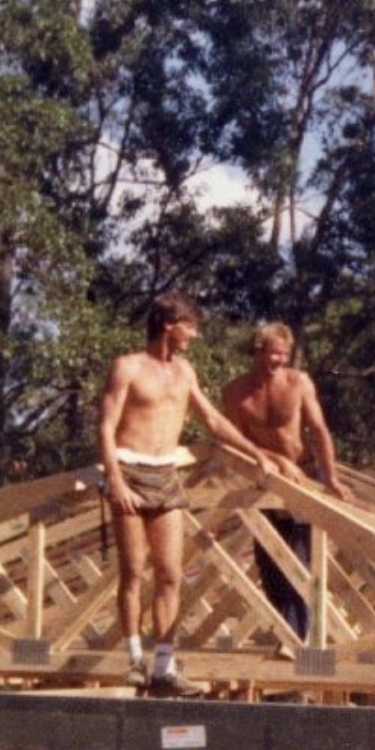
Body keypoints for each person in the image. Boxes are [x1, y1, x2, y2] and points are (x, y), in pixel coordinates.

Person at [98, 291, 275, 695]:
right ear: (168, 324)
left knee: (171, 574)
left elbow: (212, 419)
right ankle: (134, 661)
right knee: (132, 572)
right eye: (189, 326)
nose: (194, 335)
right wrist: (116, 480)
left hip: (166, 474)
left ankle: (164, 667)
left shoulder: (184, 371)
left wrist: (255, 451)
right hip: (128, 469)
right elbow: (106, 427)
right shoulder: (127, 367)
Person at [222, 322, 350, 641]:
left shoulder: (298, 382)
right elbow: (236, 442)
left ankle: (297, 639)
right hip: (265, 478)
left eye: (283, 354)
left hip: (303, 474)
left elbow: (319, 430)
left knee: (300, 556)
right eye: (272, 353)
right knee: (269, 558)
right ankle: (286, 634)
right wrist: (274, 460)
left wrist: (331, 477)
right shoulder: (236, 392)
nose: (278, 360)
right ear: (257, 350)